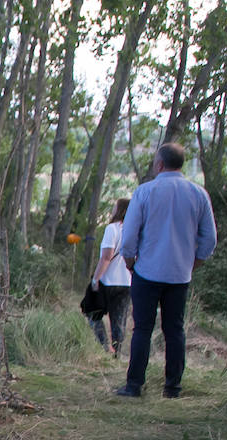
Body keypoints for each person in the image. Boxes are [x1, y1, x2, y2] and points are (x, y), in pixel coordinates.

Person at [115, 143, 217, 398]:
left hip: (147, 272)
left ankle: (134, 384)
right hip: (179, 275)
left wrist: (130, 263)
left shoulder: (145, 192)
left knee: (142, 329)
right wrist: (194, 263)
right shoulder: (198, 194)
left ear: (159, 164)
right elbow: (209, 239)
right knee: (175, 330)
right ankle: (172, 387)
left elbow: (128, 236)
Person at [89, 198, 132, 357]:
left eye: (114, 207)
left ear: (120, 210)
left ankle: (103, 345)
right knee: (119, 318)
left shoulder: (112, 229)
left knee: (93, 311)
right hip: (127, 281)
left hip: (108, 280)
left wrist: (96, 279)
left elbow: (106, 257)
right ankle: (117, 352)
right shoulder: (134, 230)